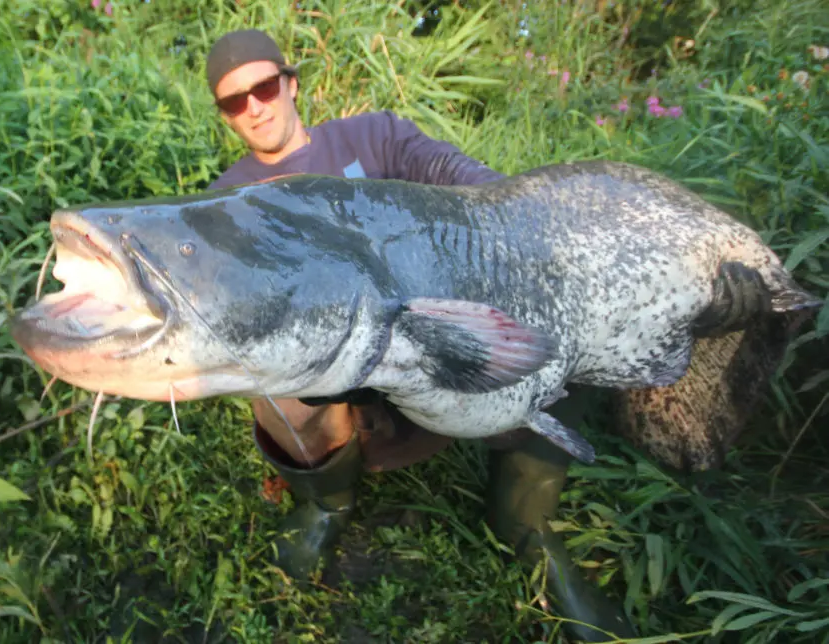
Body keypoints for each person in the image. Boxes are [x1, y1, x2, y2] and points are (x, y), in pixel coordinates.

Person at [204, 29, 637, 642]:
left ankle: (528, 526)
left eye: (265, 87)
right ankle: (327, 506)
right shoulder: (229, 199)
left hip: (433, 333)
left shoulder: (372, 136)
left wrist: (516, 214)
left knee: (557, 337)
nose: (254, 107)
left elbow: (461, 177)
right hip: (336, 368)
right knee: (274, 378)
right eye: (233, 101)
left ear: (292, 83)